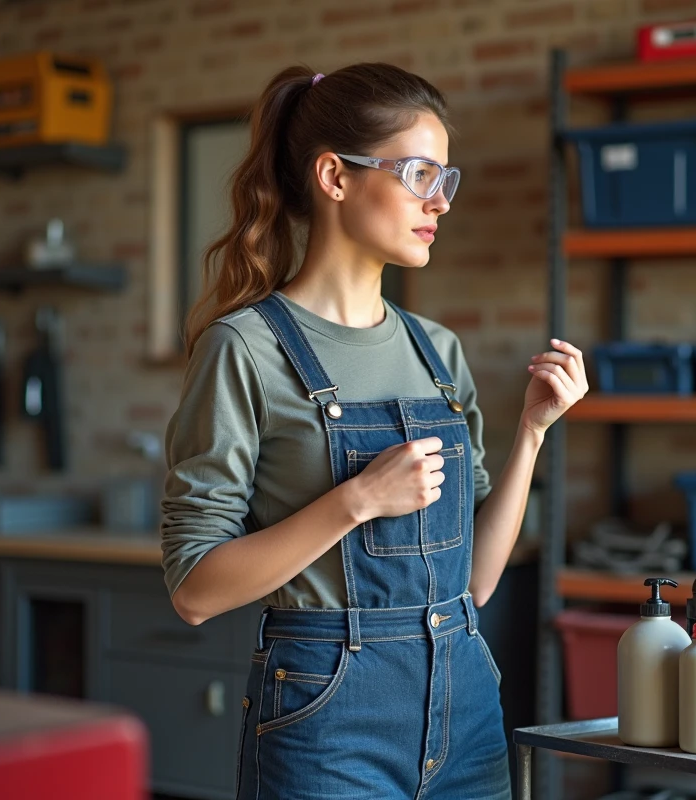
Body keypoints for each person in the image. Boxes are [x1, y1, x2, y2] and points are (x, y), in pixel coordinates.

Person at [159, 62, 587, 800]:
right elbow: (194, 590)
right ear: (334, 177)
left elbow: (476, 581)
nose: (439, 202)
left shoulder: (437, 351)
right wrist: (356, 500)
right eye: (421, 174)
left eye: (445, 180)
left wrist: (532, 432)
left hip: (468, 713)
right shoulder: (246, 349)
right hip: (326, 724)